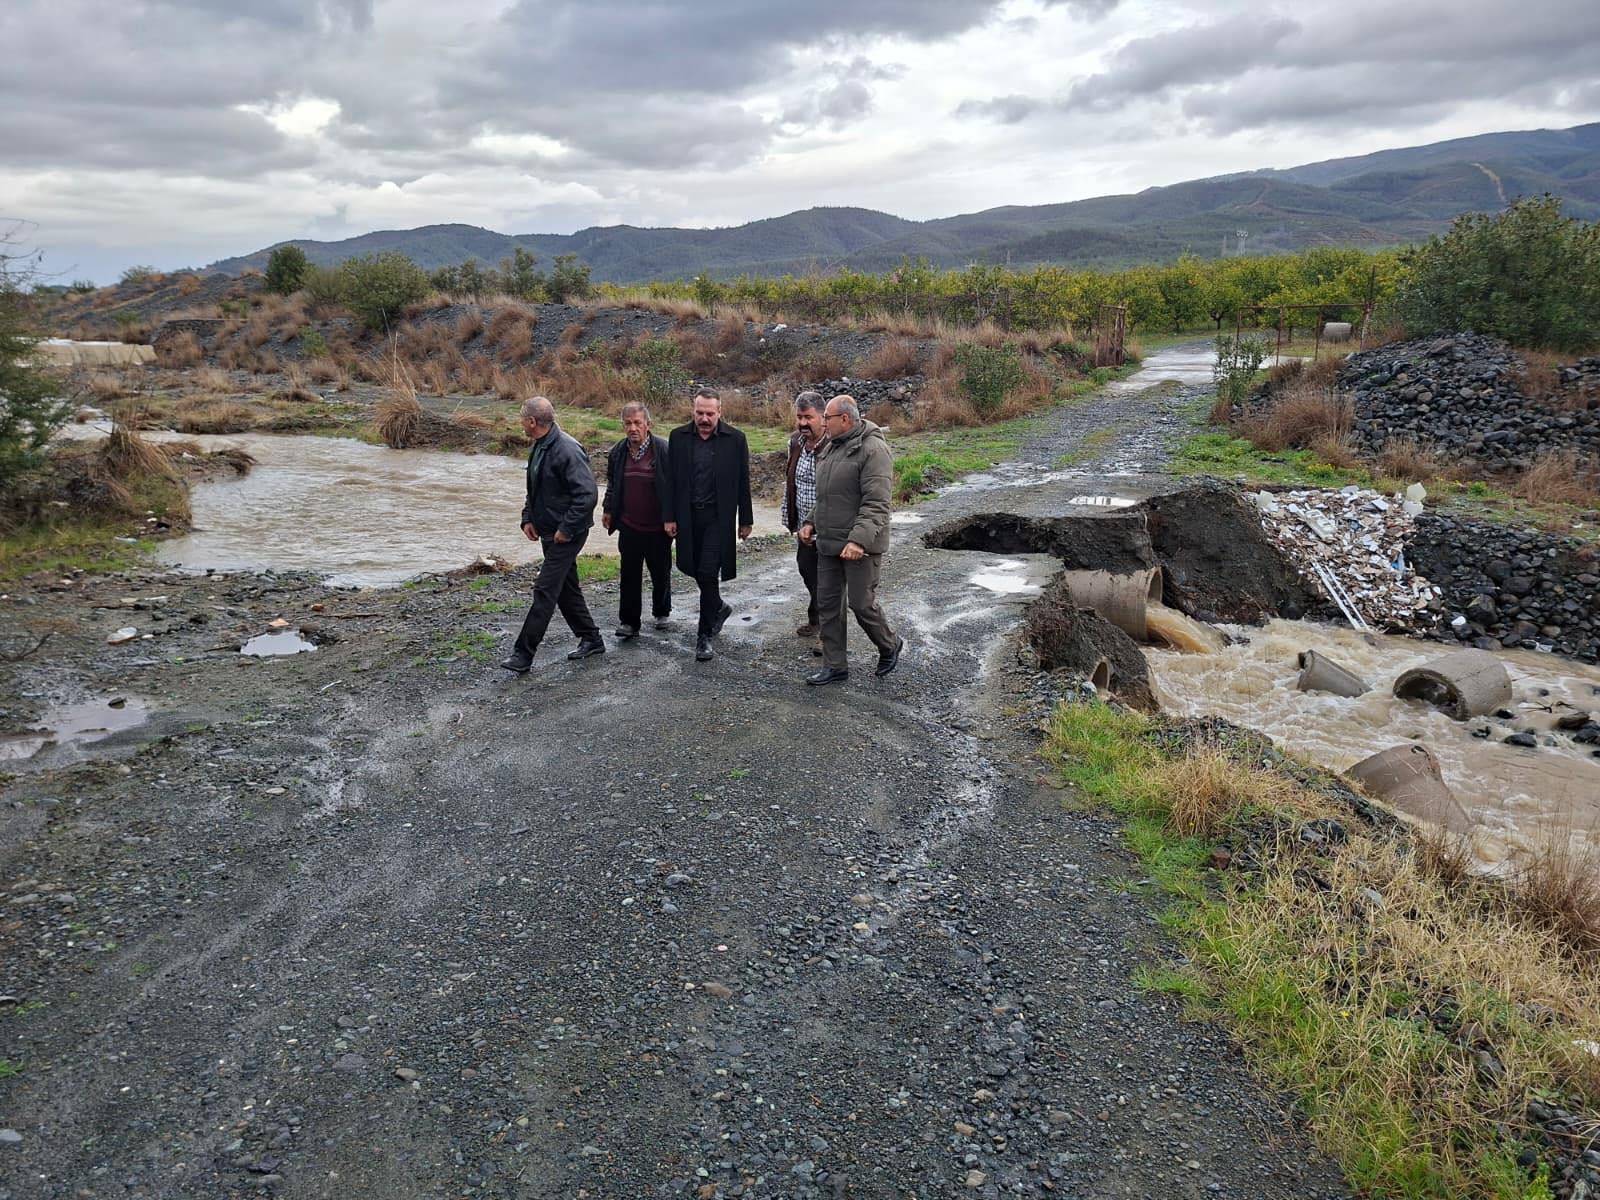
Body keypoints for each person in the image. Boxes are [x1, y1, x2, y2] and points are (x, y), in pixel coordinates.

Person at [799, 394, 903, 685]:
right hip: (829, 542)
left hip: (861, 546)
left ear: (844, 419)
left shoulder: (873, 450)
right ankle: (835, 665)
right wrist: (809, 521)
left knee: (861, 604)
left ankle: (889, 644)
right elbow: (826, 495)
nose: (823, 423)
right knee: (829, 605)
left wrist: (858, 541)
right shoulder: (831, 447)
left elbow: (877, 504)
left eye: (827, 418)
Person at [500, 395, 605, 674]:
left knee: (545, 589)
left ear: (532, 421)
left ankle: (523, 655)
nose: (520, 423)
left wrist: (566, 529)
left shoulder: (566, 449)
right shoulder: (540, 445)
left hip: (567, 534)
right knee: (566, 589)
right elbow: (535, 488)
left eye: (522, 418)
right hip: (549, 530)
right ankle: (591, 638)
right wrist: (527, 518)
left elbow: (587, 495)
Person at [664, 387, 752, 662]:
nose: (704, 418)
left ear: (719, 412)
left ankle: (704, 637)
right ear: (693, 411)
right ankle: (720, 607)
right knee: (690, 567)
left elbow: (742, 482)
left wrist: (746, 519)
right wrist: (669, 516)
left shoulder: (735, 440)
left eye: (709, 414)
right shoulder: (677, 438)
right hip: (689, 517)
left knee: (707, 572)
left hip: (719, 518)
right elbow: (670, 482)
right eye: (699, 413)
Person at [600, 402, 672, 639]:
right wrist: (608, 509)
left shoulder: (664, 450)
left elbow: (676, 487)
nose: (633, 428)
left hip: (657, 526)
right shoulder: (617, 452)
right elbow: (612, 484)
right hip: (629, 524)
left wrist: (672, 517)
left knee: (660, 571)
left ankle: (661, 611)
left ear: (648, 425)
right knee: (629, 574)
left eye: (637, 423)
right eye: (628, 423)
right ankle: (629, 622)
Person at [783, 390, 826, 642]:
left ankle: (827, 633)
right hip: (804, 527)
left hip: (829, 525)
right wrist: (791, 518)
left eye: (808, 417)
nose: (802, 423)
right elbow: (791, 482)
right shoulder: (795, 442)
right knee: (807, 570)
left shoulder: (834, 445)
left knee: (829, 579)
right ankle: (816, 618)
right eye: (799, 417)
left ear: (822, 417)